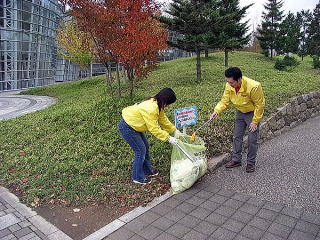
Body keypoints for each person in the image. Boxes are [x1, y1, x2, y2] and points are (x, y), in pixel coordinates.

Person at [119, 88, 180, 185]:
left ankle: (147, 170)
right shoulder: (151, 108)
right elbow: (154, 129)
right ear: (165, 100)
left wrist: (174, 130)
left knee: (145, 147)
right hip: (128, 126)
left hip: (135, 125)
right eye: (168, 104)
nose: (168, 106)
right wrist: (168, 138)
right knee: (140, 150)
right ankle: (137, 177)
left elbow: (163, 119)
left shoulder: (157, 104)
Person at [210, 67, 265, 173]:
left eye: (232, 82)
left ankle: (250, 163)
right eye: (228, 82)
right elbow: (224, 101)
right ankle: (236, 159)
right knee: (237, 136)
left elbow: (260, 104)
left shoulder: (253, 86)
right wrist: (216, 111)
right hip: (240, 112)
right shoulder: (229, 85)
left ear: (239, 79)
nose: (229, 84)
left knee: (252, 139)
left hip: (252, 113)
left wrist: (255, 121)